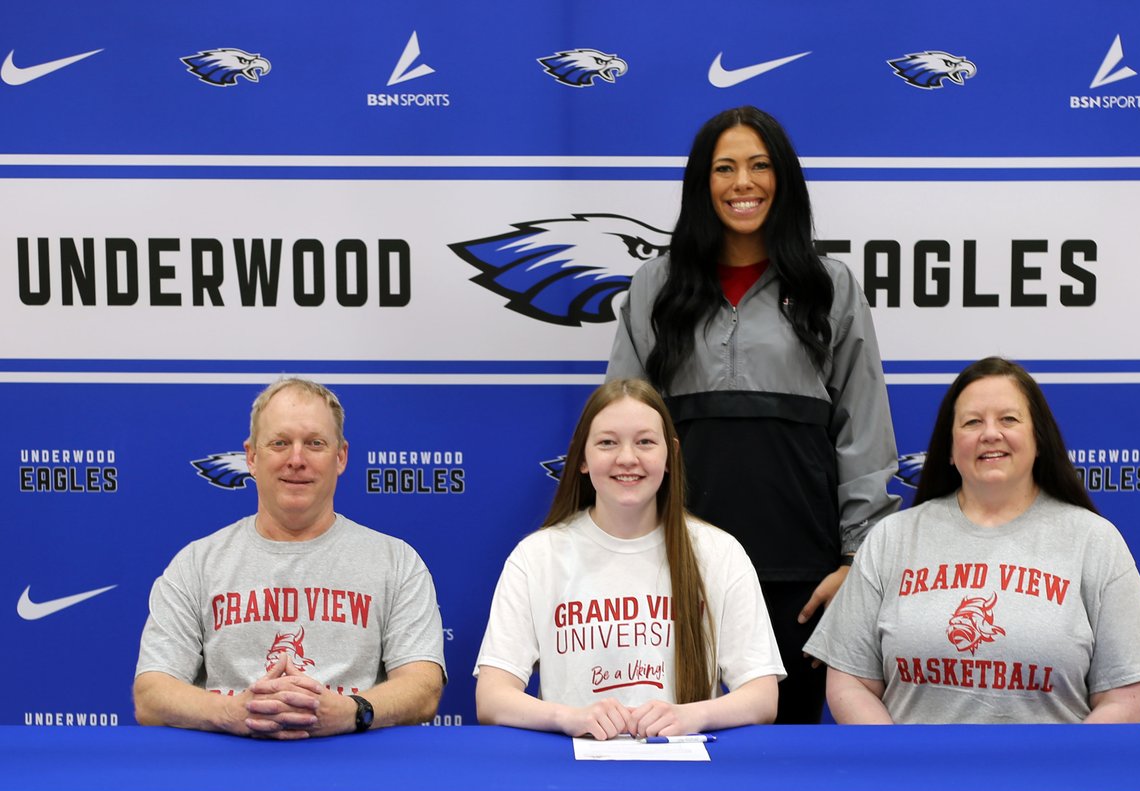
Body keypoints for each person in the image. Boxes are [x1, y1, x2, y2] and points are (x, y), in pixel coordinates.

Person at [607, 105, 899, 724]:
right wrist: (621, 552)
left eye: (760, 165)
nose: (744, 182)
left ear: (783, 178)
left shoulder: (830, 286)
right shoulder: (654, 287)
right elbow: (620, 429)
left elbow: (864, 430)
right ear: (701, 182)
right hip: (676, 562)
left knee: (783, 754)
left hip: (800, 572)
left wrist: (856, 560)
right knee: (668, 740)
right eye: (725, 168)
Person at [804, 357, 1140, 723]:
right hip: (915, 767)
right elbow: (850, 682)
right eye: (972, 422)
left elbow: (1129, 697)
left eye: (1009, 419)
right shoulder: (891, 538)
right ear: (950, 448)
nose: (990, 433)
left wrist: (1065, 763)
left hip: (1054, 768)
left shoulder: (1095, 541)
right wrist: (900, 758)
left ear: (1039, 439)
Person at [134, 378, 445, 738]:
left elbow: (423, 687)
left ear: (340, 457)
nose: (296, 460)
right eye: (280, 443)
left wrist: (351, 711)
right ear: (252, 457)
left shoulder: (396, 561)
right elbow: (151, 694)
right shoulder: (197, 564)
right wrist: (231, 713)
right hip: (229, 765)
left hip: (353, 763)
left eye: (315, 443)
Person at [474, 378, 784, 738]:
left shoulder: (719, 553)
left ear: (670, 455)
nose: (627, 458)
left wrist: (691, 716)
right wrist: (570, 718)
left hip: (687, 766)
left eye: (645, 442)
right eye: (607, 442)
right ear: (582, 458)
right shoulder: (537, 556)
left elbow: (762, 696)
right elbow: (492, 698)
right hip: (572, 766)